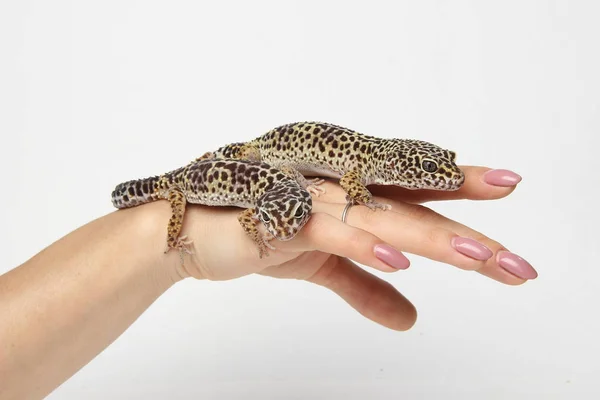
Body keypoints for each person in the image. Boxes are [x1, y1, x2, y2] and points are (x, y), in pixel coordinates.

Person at [0, 166, 536, 399]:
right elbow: (167, 202)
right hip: (186, 189)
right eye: (272, 221)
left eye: (285, 218)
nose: (281, 228)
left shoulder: (286, 198)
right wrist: (169, 236)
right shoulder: (204, 197)